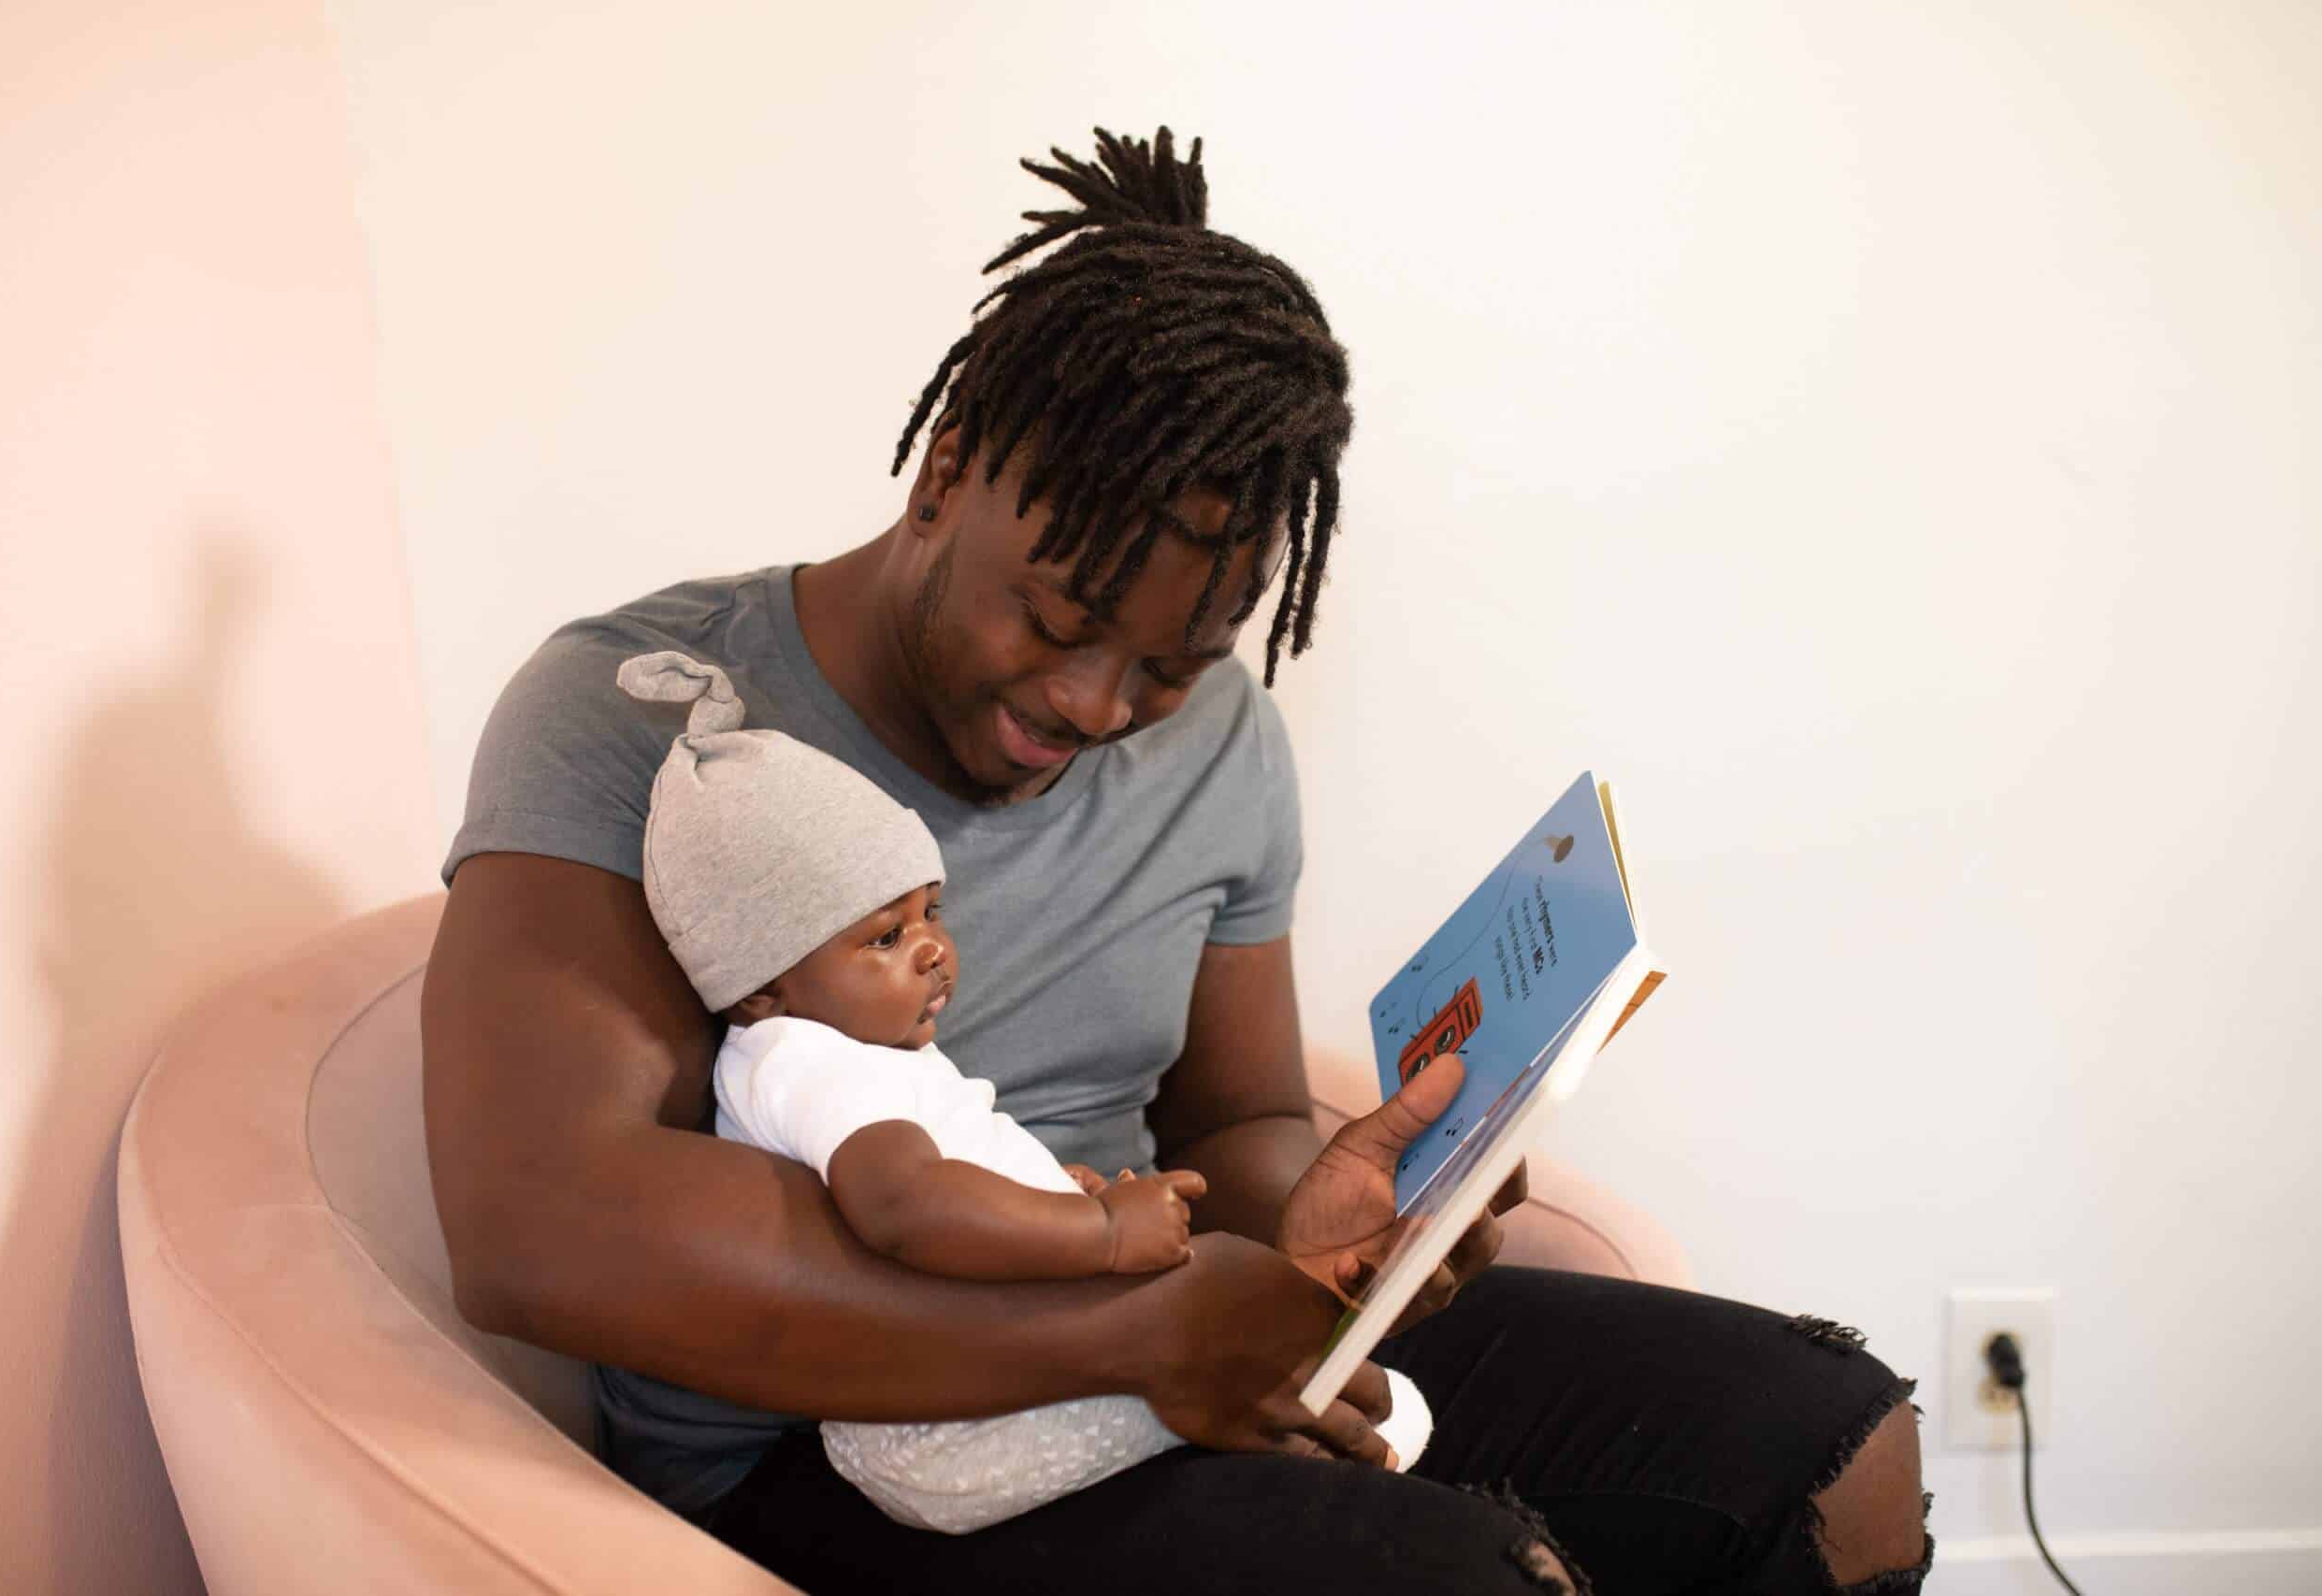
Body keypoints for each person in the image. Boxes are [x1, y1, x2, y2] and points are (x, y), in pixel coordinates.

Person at [424, 126, 1933, 1593]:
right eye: (1062, 622)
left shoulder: (1221, 738)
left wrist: (1335, 1222)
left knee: (1823, 1436)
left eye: (1171, 662)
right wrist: (1121, 1334)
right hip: (834, 1443)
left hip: (1165, 1329)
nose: (1093, 709)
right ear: (948, 471)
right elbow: (541, 1230)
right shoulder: (646, 711)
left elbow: (1242, 1115)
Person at [610, 645, 1431, 1531]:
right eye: (884, 937)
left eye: (931, 910)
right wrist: (1100, 1231)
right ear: (760, 984)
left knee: (1270, 1359)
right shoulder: (805, 1060)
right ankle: (1348, 1408)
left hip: (973, 1393)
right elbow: (905, 1205)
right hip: (939, 1426)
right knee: (1291, 1385)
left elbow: (947, 1186)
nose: (931, 947)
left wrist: (1047, 1195)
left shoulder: (856, 1050)